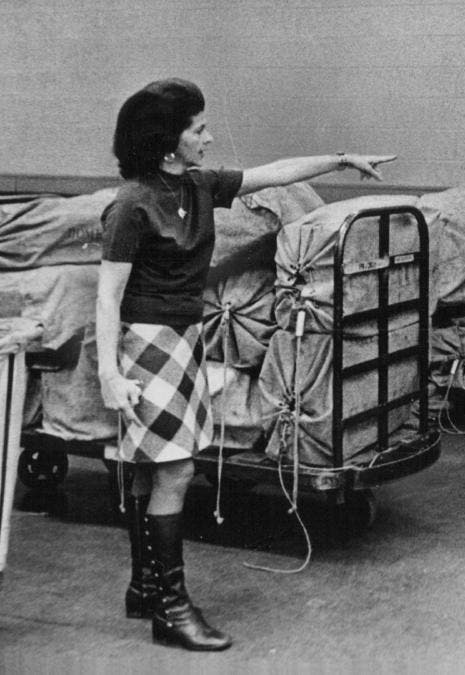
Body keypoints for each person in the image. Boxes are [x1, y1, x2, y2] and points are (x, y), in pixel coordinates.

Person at [96, 78, 395, 651]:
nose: (208, 137)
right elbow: (108, 296)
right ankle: (171, 607)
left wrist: (341, 158)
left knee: (149, 465)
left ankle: (145, 587)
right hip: (145, 342)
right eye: (198, 129)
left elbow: (272, 173)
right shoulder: (131, 205)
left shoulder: (197, 185)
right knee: (175, 469)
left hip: (183, 337)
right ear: (166, 142)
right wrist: (110, 373)